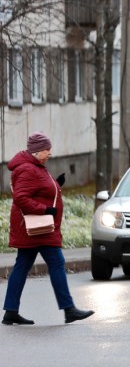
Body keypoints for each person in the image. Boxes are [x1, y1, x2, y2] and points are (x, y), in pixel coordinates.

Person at [2, 132, 94, 325]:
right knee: (57, 262)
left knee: (22, 265)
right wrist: (45, 210)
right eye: (47, 149)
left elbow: (36, 190)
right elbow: (21, 197)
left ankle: (11, 311)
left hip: (34, 228)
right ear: (37, 151)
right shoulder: (28, 169)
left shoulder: (36, 167)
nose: (50, 153)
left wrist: (56, 185)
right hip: (38, 227)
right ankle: (69, 309)